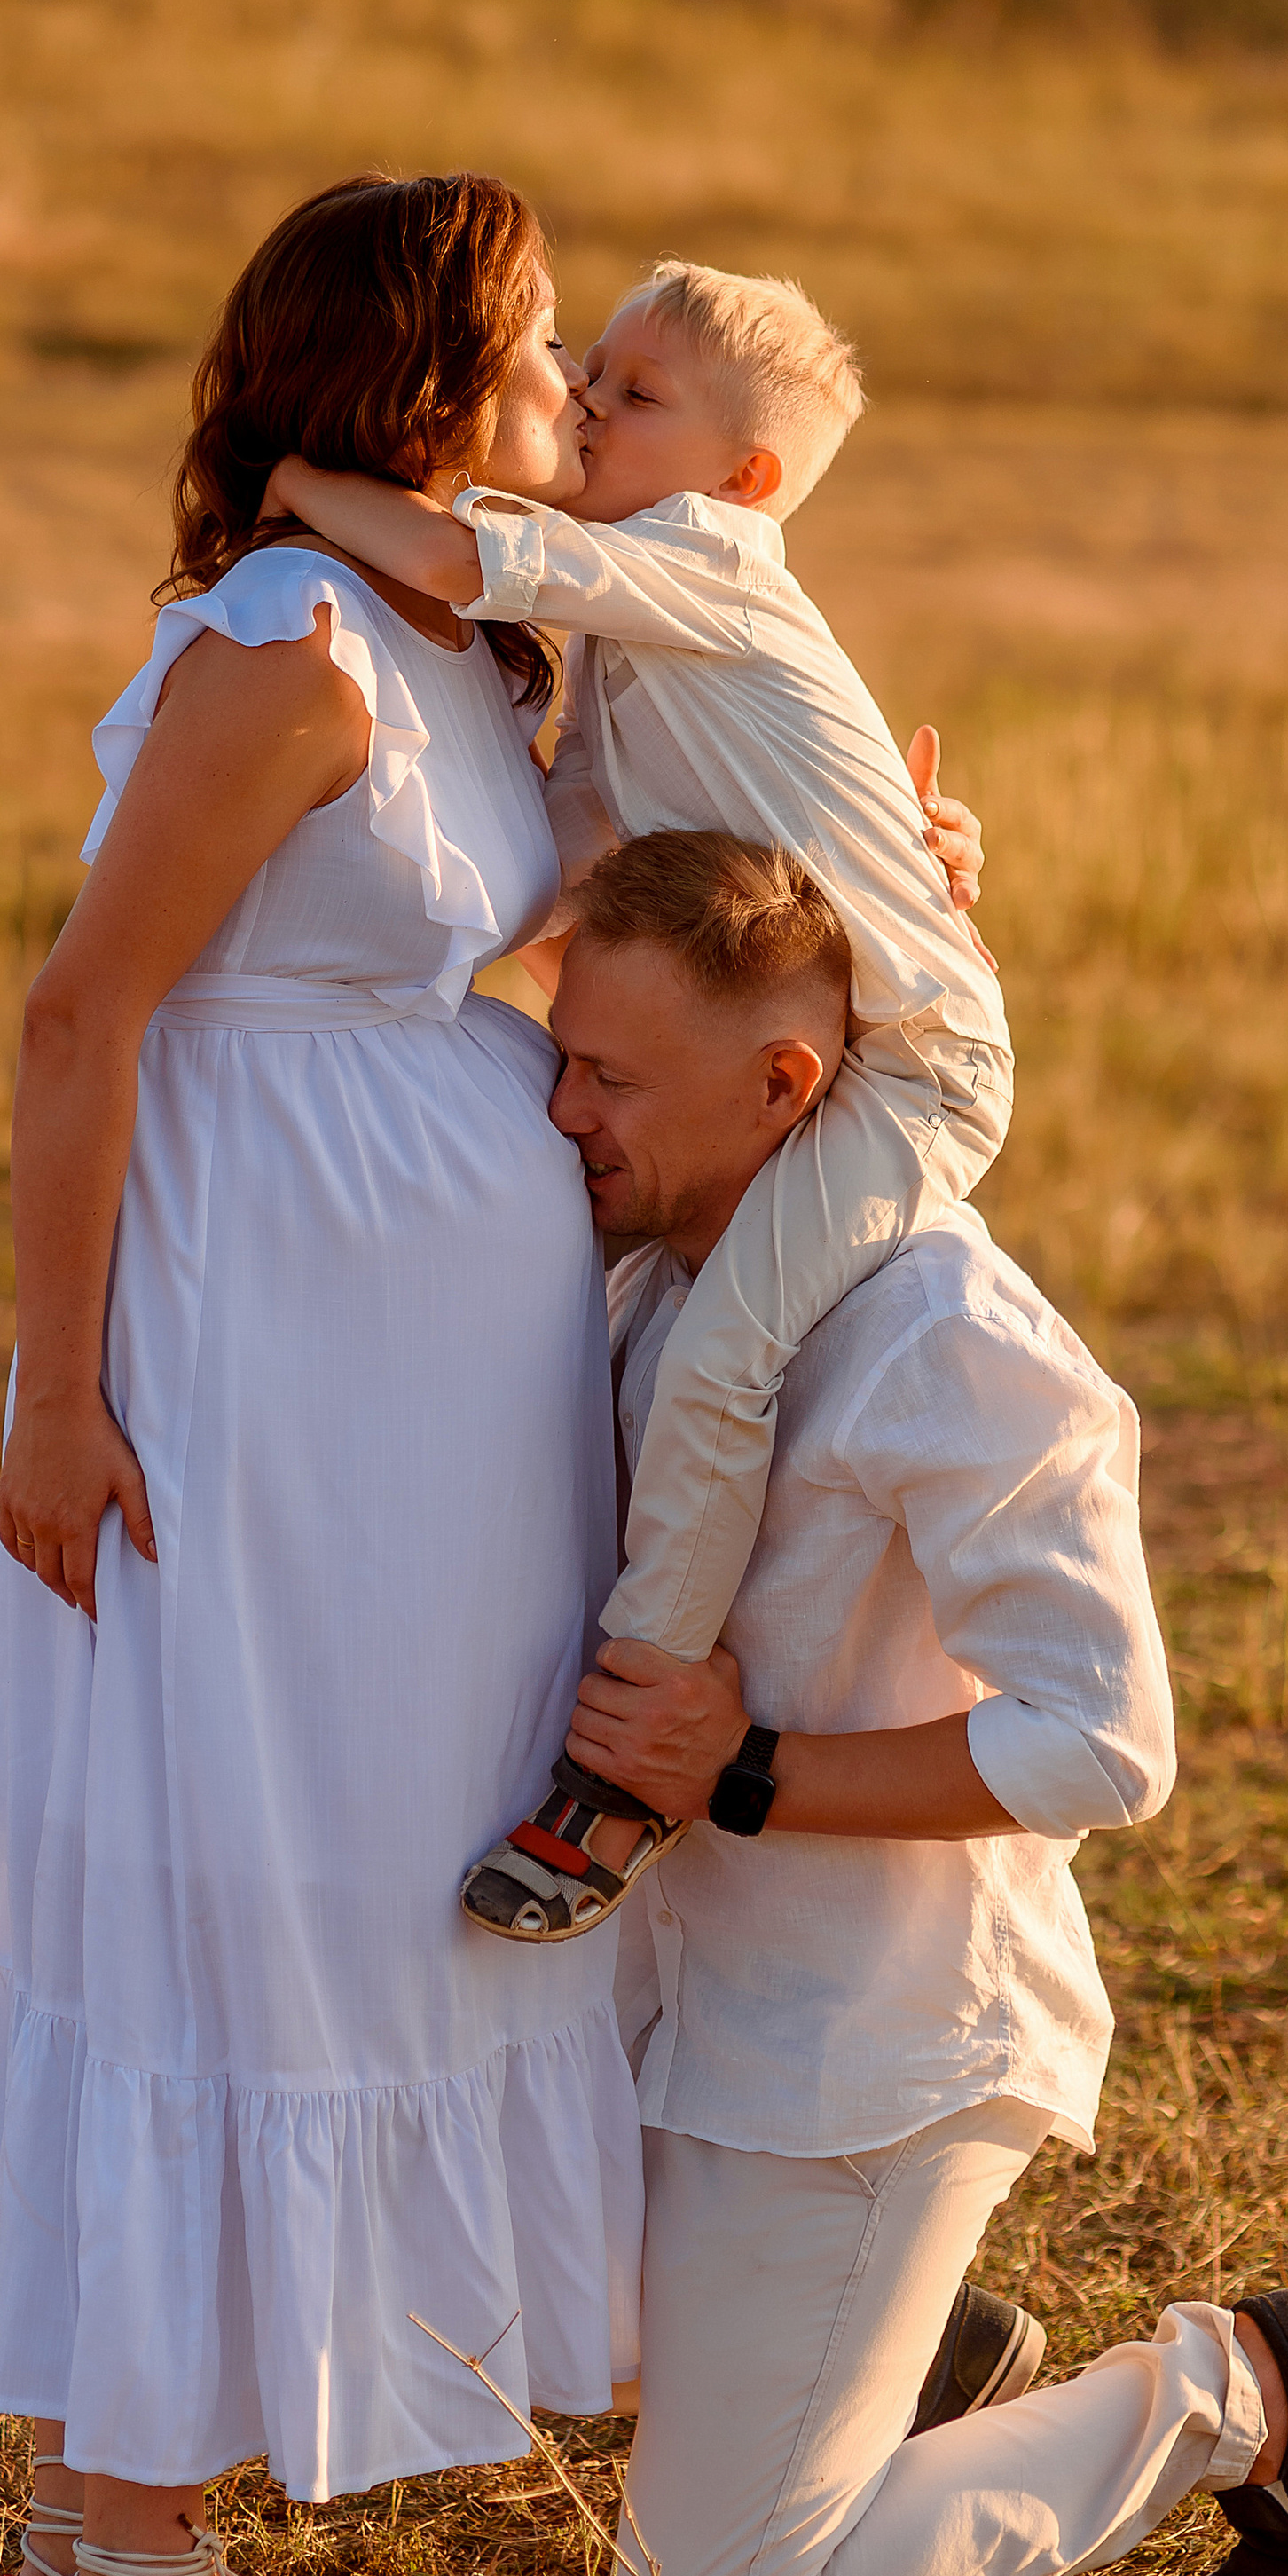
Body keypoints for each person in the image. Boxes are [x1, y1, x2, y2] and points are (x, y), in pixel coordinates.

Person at [0, 171, 647, 2576]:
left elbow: (484, 967)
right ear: (427, 387)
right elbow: (80, 1018)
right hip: (236, 1396)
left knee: (334, 1888)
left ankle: (84, 2538)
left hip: (395, 1434)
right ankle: (138, 2568)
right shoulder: (289, 643)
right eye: (552, 357)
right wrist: (65, 1386)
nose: (575, 410)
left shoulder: (466, 649)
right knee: (234, 1905)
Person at [541, 829, 1288, 2576]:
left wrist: (741, 1770)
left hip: (862, 2046)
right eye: (559, 1051)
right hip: (668, 2007)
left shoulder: (943, 1332)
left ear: (782, 1086)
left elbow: (1103, 1741)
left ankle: (1236, 2390)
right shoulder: (666, 1275)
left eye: (605, 1076)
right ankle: (917, 2364)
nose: (558, 1105)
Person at [263, 262, 1011, 1947]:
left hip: (911, 1055)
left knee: (725, 1346)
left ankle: (632, 1759)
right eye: (589, 371)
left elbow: (456, 553)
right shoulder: (619, 638)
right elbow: (563, 869)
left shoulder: (704, 567)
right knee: (623, 1326)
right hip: (783, 1026)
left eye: (638, 393)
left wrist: (296, 477)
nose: (589, 403)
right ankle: (537, 1668)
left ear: (746, 479)